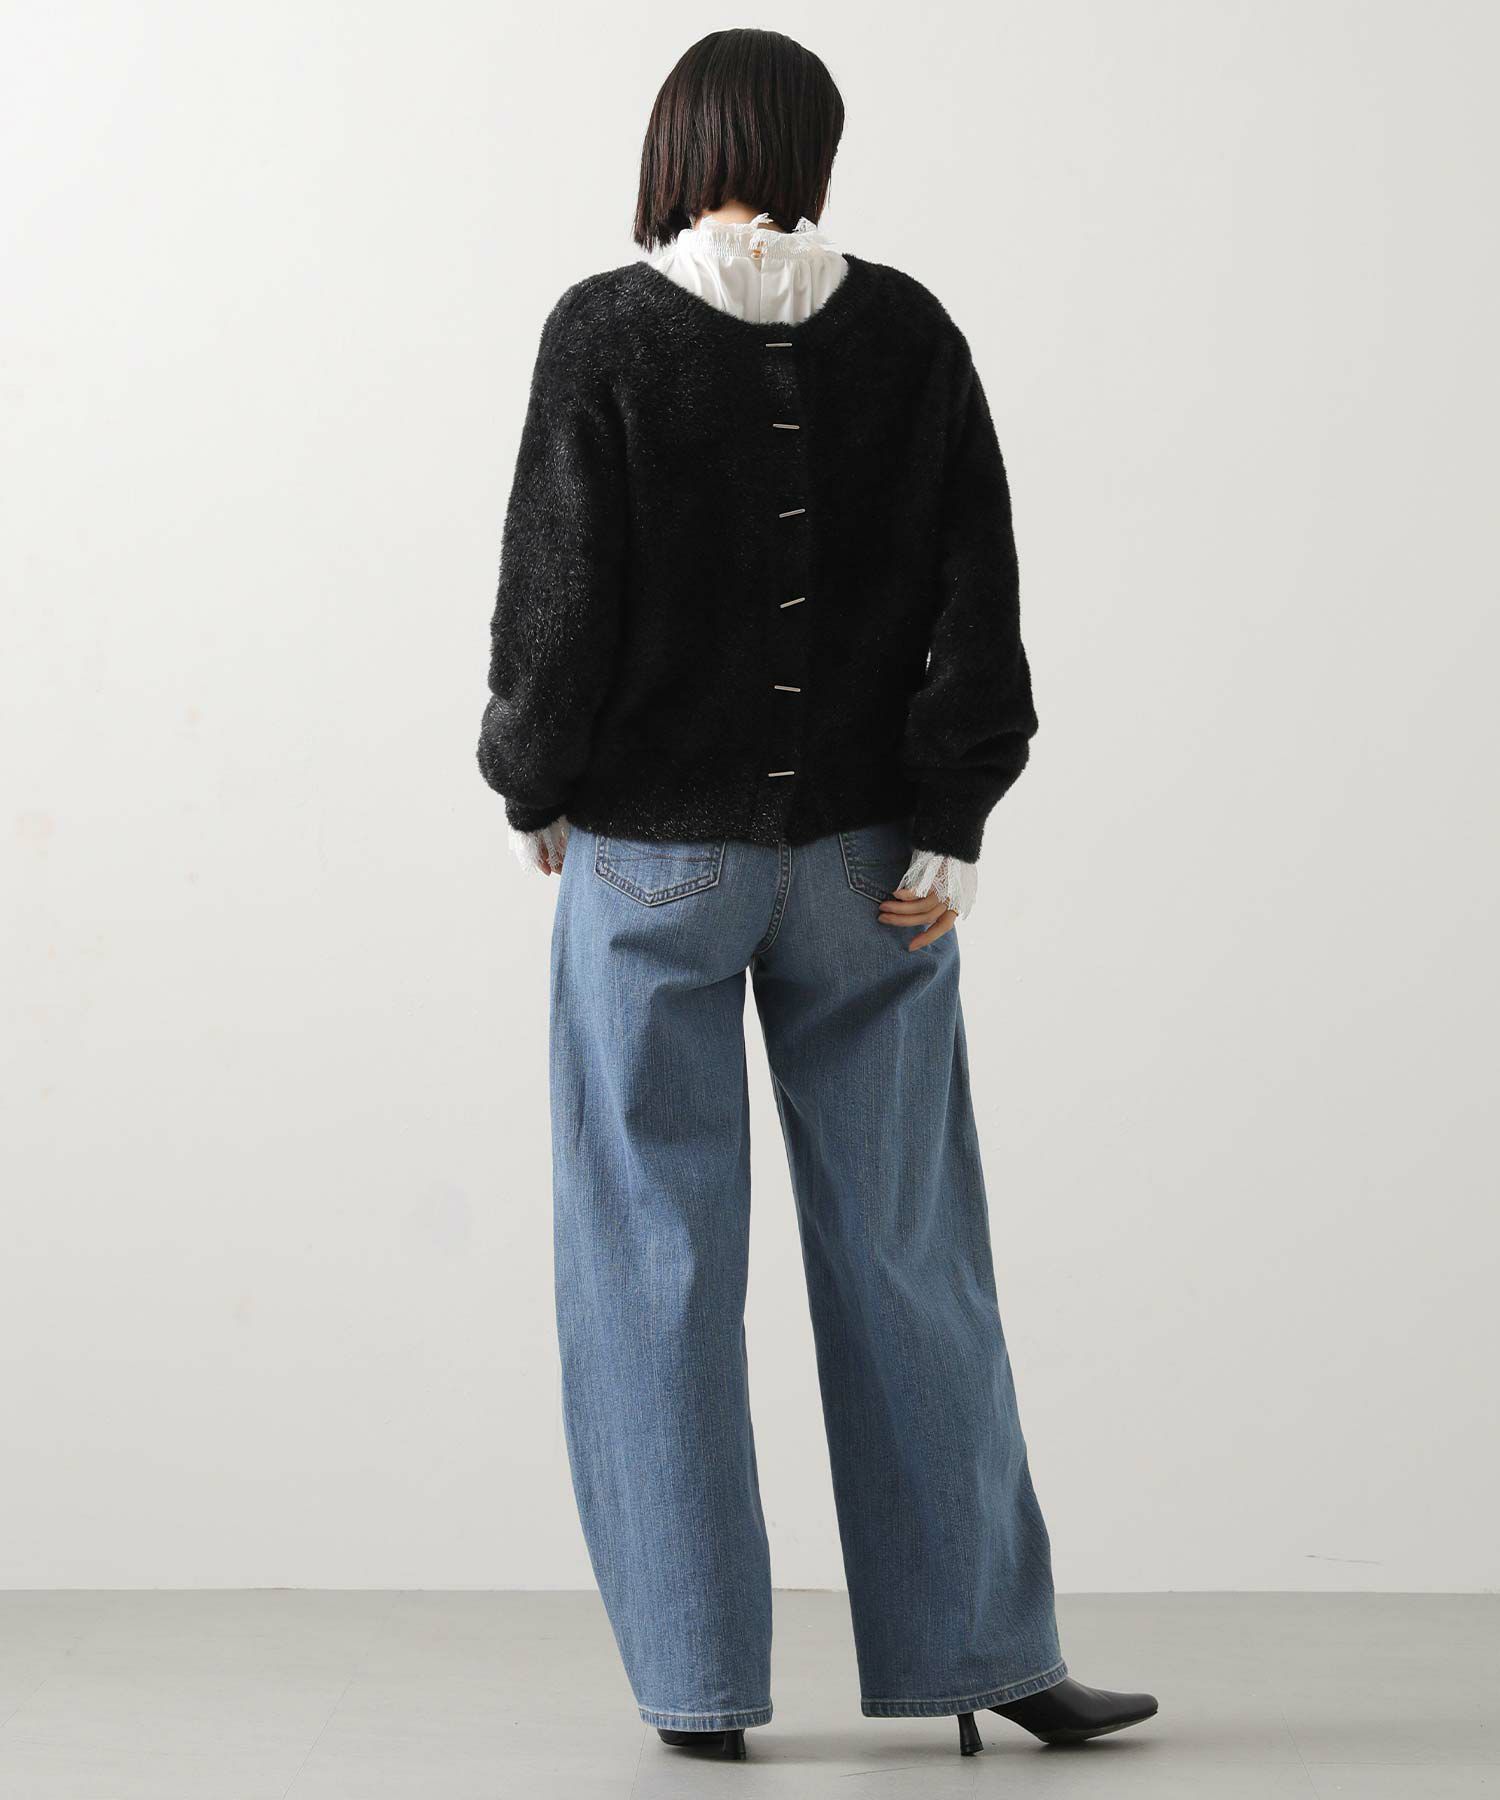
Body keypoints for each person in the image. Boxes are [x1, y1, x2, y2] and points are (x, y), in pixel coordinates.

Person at [477, 27, 1157, 1763]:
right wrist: (955, 814)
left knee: (652, 1263)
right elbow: (979, 588)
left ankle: (700, 1688)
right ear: (815, 148)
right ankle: (991, 1655)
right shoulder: (909, 330)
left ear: (675, 143)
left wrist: (531, 781)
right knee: (910, 1250)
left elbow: (559, 601)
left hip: (652, 863)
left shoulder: (603, 331)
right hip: (871, 864)